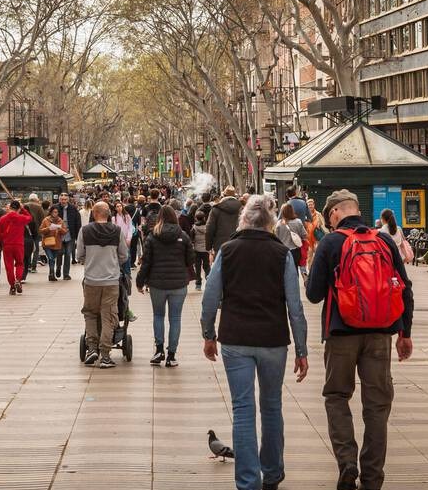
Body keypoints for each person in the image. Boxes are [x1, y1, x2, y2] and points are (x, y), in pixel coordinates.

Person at [306, 189, 413, 490]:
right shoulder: (383, 241)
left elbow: (313, 295)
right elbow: (405, 288)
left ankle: (347, 461)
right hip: (380, 334)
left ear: (336, 213)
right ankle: (373, 478)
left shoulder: (330, 242)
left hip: (340, 334)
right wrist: (404, 333)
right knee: (377, 406)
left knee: (337, 396)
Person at [201, 197, 308, 490]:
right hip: (273, 340)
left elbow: (210, 297)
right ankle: (272, 473)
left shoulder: (228, 251)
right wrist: (301, 349)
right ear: (271, 222)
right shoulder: (282, 254)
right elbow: (295, 308)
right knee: (272, 406)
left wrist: (208, 334)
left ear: (244, 220)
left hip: (235, 339)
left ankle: (248, 481)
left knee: (243, 409)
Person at [135, 204, 194, 367]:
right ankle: (171, 355)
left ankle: (159, 350)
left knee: (158, 316)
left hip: (157, 283)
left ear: (159, 217)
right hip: (178, 284)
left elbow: (146, 262)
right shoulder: (183, 236)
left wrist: (140, 282)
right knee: (175, 318)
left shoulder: (152, 236)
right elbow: (190, 260)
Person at [77, 202, 129, 367]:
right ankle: (105, 355)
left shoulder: (84, 231)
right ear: (109, 214)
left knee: (91, 313)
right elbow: (124, 255)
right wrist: (113, 264)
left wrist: (90, 262)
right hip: (111, 280)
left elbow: (79, 255)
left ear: (93, 212)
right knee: (109, 316)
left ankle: (92, 348)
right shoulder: (117, 231)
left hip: (91, 280)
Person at [0, 200, 32, 295]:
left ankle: (12, 286)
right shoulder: (21, 218)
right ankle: (18, 280)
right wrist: (23, 209)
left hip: (7, 245)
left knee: (9, 266)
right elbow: (30, 218)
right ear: (18, 209)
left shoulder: (2, 219)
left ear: (10, 207)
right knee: (20, 263)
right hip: (19, 244)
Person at [204, 185, 243, 260]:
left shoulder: (216, 209)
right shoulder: (242, 209)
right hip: (238, 246)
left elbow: (209, 229)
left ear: (224, 195)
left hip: (220, 246)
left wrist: (208, 247)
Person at [56, 191, 82, 280]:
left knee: (68, 254)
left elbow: (78, 222)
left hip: (70, 234)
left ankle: (66, 274)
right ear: (59, 199)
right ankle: (58, 268)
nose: (63, 201)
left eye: (65, 199)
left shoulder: (73, 209)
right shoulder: (55, 208)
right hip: (58, 234)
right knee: (59, 253)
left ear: (68, 200)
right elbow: (49, 218)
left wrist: (78, 235)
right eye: (62, 199)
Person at [40, 205, 68, 281]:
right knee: (51, 258)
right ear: (51, 212)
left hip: (56, 243)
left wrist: (60, 229)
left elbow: (65, 231)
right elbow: (41, 230)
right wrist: (48, 229)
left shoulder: (60, 221)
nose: (55, 213)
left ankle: (51, 273)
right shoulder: (46, 220)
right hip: (47, 243)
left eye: (56, 212)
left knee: (53, 259)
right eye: (54, 212)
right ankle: (51, 274)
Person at [191, 208, 210, 290]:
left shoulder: (194, 228)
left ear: (196, 218)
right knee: (206, 266)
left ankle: (198, 284)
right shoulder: (208, 227)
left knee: (198, 267)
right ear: (204, 218)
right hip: (205, 250)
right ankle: (209, 281)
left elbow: (191, 239)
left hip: (197, 250)